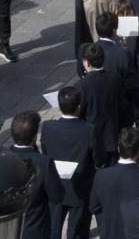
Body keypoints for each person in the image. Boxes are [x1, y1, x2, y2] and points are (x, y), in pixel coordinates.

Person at [41, 87, 95, 239]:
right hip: (80, 187)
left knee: (53, 229)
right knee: (76, 231)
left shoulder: (47, 128)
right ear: (78, 107)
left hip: (55, 186)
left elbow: (45, 154)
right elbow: (97, 159)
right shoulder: (89, 130)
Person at [10, 111, 65, 239]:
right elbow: (57, 195)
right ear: (35, 137)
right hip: (35, 230)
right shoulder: (44, 163)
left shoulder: (1, 159)